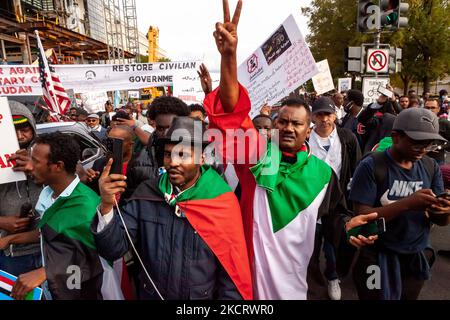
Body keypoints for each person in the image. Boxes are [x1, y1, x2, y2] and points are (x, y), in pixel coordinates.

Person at [204, 0, 375, 300]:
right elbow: (232, 114)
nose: (288, 128)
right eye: (282, 121)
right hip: (246, 288)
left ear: (308, 130)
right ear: (274, 124)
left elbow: (335, 216)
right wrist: (229, 58)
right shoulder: (258, 157)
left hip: (293, 288)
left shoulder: (322, 174)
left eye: (296, 124)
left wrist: (349, 226)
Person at [91, 117, 252, 300]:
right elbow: (113, 249)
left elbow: (232, 274)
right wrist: (106, 205)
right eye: (168, 154)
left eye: (182, 155)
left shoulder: (220, 201)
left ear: (201, 157)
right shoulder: (147, 194)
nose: (173, 162)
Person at [349, 107, 450, 300]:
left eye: (428, 144)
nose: (423, 150)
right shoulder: (371, 165)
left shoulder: (430, 166)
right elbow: (361, 218)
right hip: (376, 256)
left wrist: (443, 210)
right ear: (395, 137)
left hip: (415, 255)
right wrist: (408, 203)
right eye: (417, 143)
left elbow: (441, 220)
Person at [11, 132, 106, 300]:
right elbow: (50, 235)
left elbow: (93, 262)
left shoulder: (86, 207)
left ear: (58, 166)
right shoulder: (47, 194)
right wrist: (9, 240)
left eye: (36, 162)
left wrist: (47, 271)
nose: (29, 167)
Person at [309, 97, 362, 300]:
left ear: (335, 115)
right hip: (310, 204)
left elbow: (357, 168)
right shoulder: (305, 139)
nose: (325, 119)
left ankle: (333, 277)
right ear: (313, 117)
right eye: (320, 114)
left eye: (328, 114)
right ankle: (310, 281)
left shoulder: (347, 138)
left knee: (333, 244)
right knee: (310, 246)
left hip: (337, 204)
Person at [0, 101, 42, 277]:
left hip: (49, 246)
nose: (19, 135)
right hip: (11, 252)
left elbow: (72, 182)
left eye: (25, 128)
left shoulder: (50, 152)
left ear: (33, 126)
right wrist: (2, 222)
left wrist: (37, 168)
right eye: (12, 130)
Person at [125, 96, 190, 196]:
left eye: (171, 127)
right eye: (160, 128)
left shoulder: (200, 158)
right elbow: (130, 201)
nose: (165, 134)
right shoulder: (138, 162)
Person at [423, 98, 450, 164]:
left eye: (433, 108)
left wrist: (439, 147)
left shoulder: (444, 123)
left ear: (438, 109)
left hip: (437, 159)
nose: (430, 110)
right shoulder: (418, 122)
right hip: (420, 158)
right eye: (427, 107)